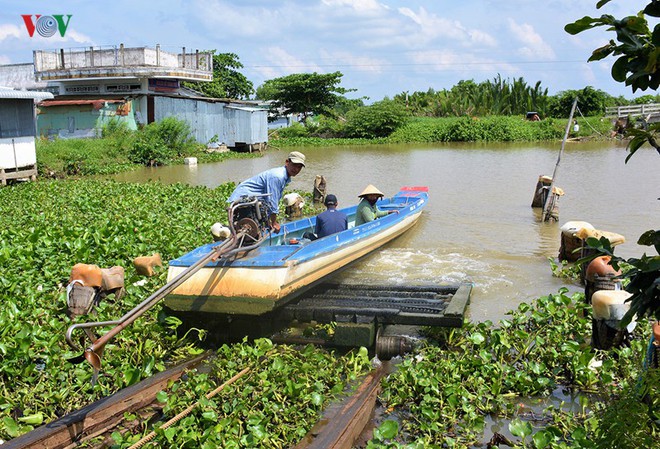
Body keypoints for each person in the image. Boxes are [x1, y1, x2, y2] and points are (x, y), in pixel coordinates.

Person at [227, 151, 305, 233]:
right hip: (243, 199)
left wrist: (269, 221)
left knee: (256, 227)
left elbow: (271, 199)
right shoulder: (278, 176)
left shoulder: (284, 176)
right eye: (294, 165)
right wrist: (274, 222)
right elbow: (272, 200)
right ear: (287, 162)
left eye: (299, 167)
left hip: (252, 200)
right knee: (249, 230)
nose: (296, 169)